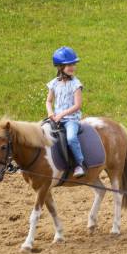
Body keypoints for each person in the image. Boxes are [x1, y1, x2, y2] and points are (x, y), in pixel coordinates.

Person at [46, 46, 86, 178]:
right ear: (59, 67)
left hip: (71, 119)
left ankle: (80, 163)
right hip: (56, 118)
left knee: (71, 138)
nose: (72, 67)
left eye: (73, 64)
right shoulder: (54, 83)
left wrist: (62, 114)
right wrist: (51, 113)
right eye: (68, 65)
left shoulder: (76, 84)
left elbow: (77, 105)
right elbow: (49, 101)